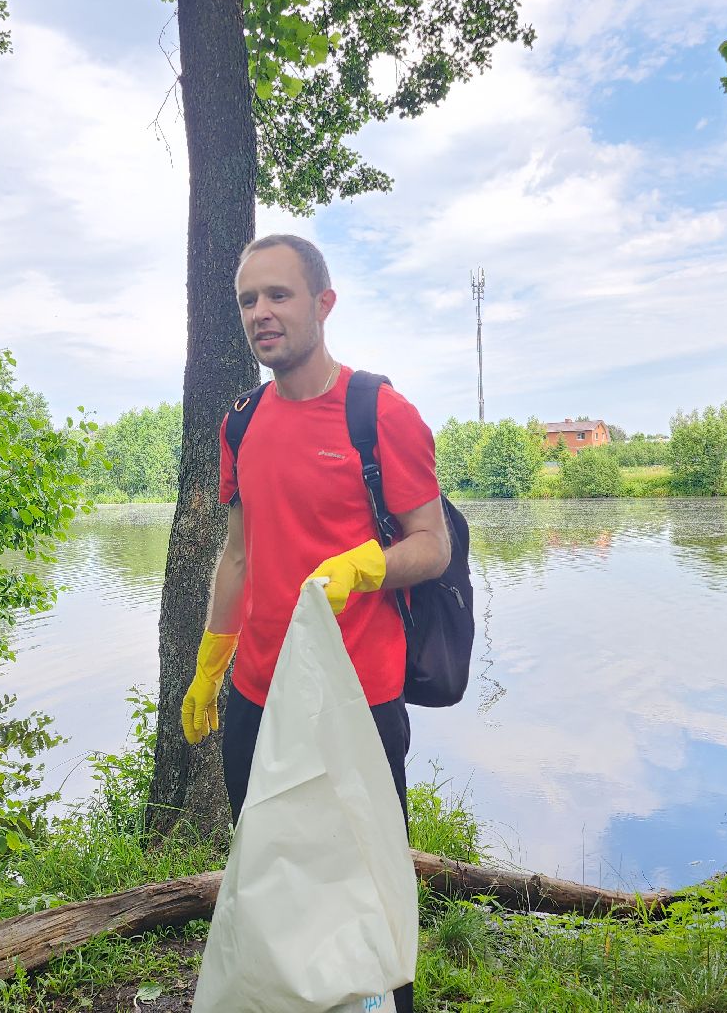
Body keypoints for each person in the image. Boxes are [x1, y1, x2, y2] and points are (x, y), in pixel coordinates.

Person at [181, 233, 450, 1013]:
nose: (260, 314)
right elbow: (238, 555)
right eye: (247, 301)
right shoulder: (241, 423)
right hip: (260, 696)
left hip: (357, 699)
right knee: (271, 878)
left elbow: (430, 546)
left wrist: (367, 564)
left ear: (323, 304)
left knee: (365, 887)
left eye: (278, 295)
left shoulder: (380, 413)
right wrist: (210, 662)